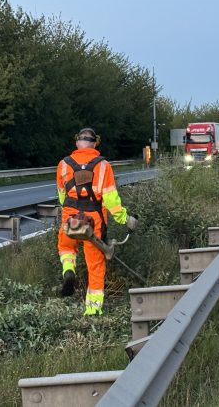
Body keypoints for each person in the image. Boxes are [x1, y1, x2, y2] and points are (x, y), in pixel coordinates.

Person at [56, 128, 138, 316]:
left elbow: (62, 196)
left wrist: (70, 210)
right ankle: (92, 310)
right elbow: (111, 200)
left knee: (66, 248)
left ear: (77, 143)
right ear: (95, 144)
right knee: (95, 265)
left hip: (70, 217)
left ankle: (69, 271)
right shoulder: (103, 166)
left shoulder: (63, 165)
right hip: (93, 221)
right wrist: (125, 219)